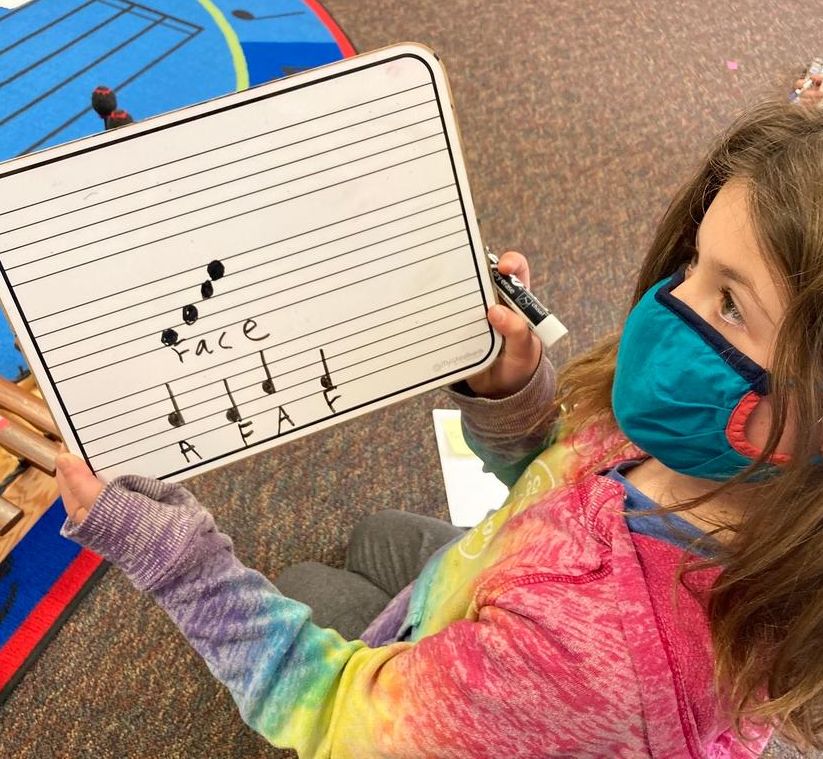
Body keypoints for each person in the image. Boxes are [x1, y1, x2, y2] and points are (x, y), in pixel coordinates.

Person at [55, 97, 823, 758]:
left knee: (305, 587)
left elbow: (324, 707)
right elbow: (562, 479)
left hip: (518, 670)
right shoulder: (710, 449)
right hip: (508, 590)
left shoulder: (584, 657)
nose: (667, 304)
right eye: (693, 262)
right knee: (378, 537)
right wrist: (511, 394)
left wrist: (171, 558)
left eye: (730, 303)